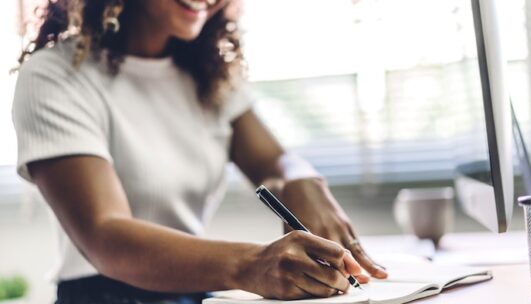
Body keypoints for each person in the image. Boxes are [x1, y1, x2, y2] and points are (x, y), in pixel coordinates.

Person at [12, 0, 388, 303]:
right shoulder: (55, 75)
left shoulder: (207, 73)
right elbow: (105, 235)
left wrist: (301, 179)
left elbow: (272, 161)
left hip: (197, 292)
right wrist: (251, 264)